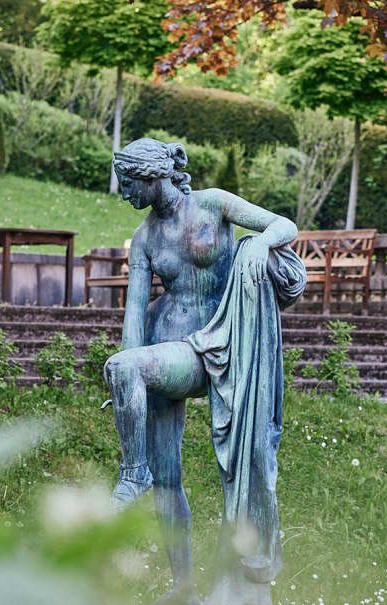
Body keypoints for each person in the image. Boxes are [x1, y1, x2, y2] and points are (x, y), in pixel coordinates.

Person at [102, 138, 300, 604]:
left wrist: (260, 246)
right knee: (167, 476)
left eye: (129, 182)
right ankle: (183, 587)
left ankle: (133, 473)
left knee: (127, 375)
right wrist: (126, 377)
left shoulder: (212, 204)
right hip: (169, 347)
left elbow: (282, 225)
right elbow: (134, 313)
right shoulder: (146, 237)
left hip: (220, 341)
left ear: (154, 176)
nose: (124, 191)